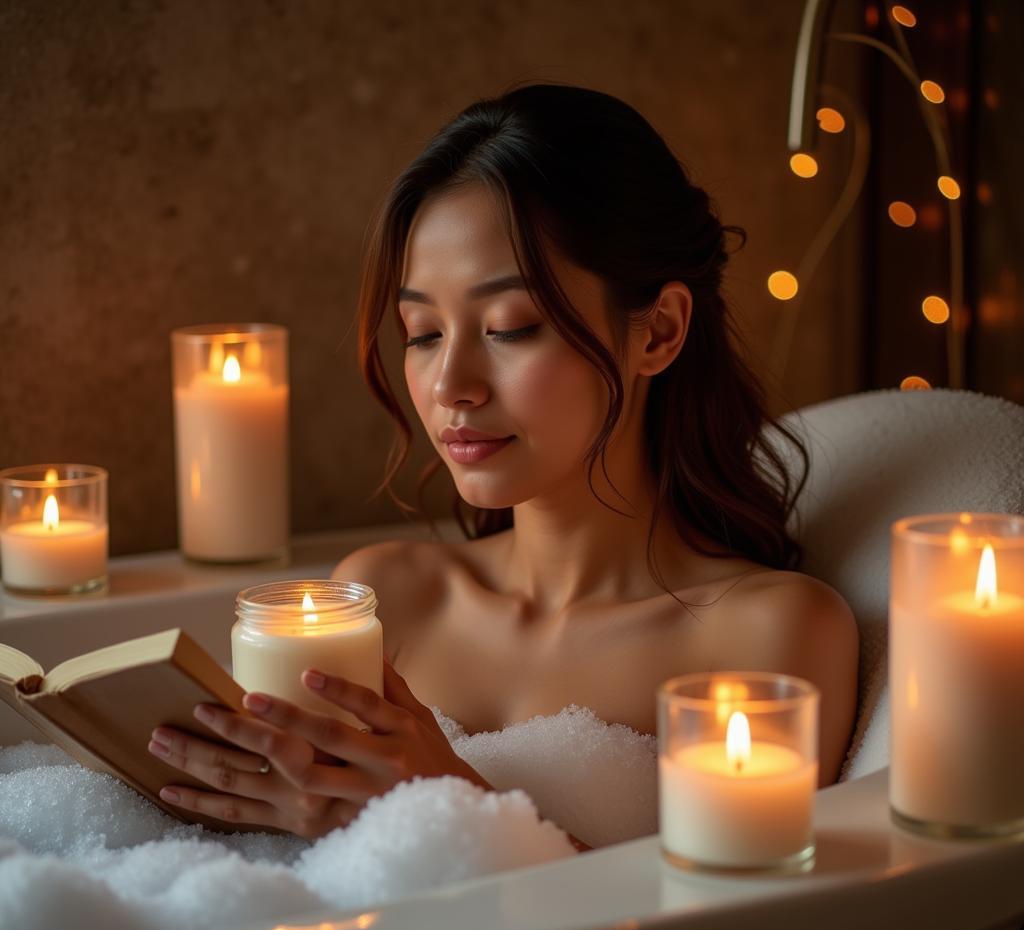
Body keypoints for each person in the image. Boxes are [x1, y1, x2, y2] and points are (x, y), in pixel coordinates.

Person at [147, 83, 859, 850]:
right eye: (422, 332)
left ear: (658, 330)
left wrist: (453, 807)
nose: (450, 385)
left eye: (510, 327)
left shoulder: (768, 633)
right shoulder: (386, 598)